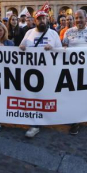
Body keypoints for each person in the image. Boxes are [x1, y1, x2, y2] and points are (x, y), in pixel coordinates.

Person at [20, 10, 62, 138]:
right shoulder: (29, 33)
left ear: (47, 19)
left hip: (48, 73)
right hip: (32, 72)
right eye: (39, 19)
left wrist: (53, 49)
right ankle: (35, 124)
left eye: (44, 19)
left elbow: (61, 53)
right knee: (34, 97)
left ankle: (49, 117)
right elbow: (21, 47)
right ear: (34, 20)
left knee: (47, 96)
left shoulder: (53, 34)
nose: (41, 21)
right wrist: (21, 47)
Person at [62, 9, 87, 135]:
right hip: (72, 70)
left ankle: (84, 115)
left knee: (84, 95)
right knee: (73, 95)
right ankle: (75, 121)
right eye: (76, 18)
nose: (78, 20)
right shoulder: (68, 32)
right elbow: (63, 49)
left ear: (86, 18)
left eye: (80, 18)